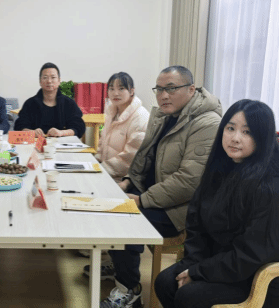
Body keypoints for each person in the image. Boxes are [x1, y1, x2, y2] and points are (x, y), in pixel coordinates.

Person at [87, 65, 222, 308]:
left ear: (191, 89)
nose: (163, 95)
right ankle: (120, 265)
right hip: (153, 194)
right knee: (106, 201)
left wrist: (142, 199)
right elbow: (143, 160)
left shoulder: (207, 123)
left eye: (171, 88)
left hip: (182, 209)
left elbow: (188, 181)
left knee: (124, 220)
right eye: (159, 89)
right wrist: (128, 182)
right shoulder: (164, 115)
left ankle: (130, 291)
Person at [155, 99, 279, 308]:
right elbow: (196, 224)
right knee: (166, 282)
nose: (235, 138)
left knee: (189, 296)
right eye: (230, 128)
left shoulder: (269, 186)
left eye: (247, 132)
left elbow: (251, 254)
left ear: (262, 137)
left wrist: (199, 272)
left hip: (254, 277)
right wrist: (193, 264)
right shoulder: (220, 168)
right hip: (219, 264)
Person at [95, 72, 149, 182]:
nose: (115, 93)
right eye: (111, 89)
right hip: (107, 173)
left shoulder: (140, 117)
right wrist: (95, 162)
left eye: (121, 88)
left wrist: (101, 169)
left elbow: (130, 157)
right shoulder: (112, 112)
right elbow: (102, 142)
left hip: (123, 180)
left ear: (131, 91)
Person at [14, 62, 85, 138]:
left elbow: (79, 127)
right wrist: (32, 132)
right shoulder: (30, 103)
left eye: (53, 77)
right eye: (45, 77)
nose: (49, 81)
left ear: (59, 81)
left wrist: (61, 133)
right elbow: (19, 126)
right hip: (35, 142)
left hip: (63, 142)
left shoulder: (69, 103)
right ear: (40, 82)